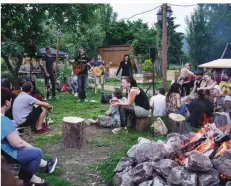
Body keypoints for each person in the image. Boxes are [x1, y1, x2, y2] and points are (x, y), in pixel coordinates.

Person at [1, 88, 58, 185]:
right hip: (6, 155)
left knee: (30, 151)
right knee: (36, 152)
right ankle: (30, 179)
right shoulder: (4, 120)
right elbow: (18, 144)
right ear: (7, 102)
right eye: (11, 100)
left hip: (3, 151)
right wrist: (31, 147)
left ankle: (40, 167)